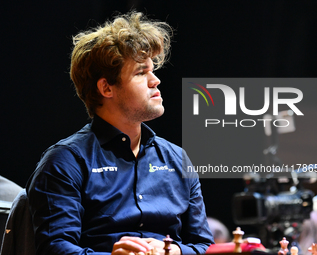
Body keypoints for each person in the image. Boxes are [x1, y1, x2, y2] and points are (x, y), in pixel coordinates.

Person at [26, 12, 214, 255]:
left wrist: (175, 251)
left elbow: (206, 247)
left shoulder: (177, 158)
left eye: (152, 70)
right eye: (140, 72)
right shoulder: (66, 161)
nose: (155, 80)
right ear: (106, 87)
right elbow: (55, 249)